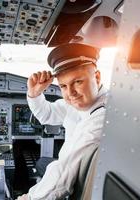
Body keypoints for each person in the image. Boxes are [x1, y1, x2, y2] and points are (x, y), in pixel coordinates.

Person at [17, 43, 108, 200]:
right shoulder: (79, 103)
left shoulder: (101, 120)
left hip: (76, 179)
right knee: (41, 163)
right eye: (63, 86)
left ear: (97, 77)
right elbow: (48, 114)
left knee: (45, 166)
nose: (71, 93)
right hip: (72, 169)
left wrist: (28, 198)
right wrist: (34, 94)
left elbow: (61, 178)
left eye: (78, 82)